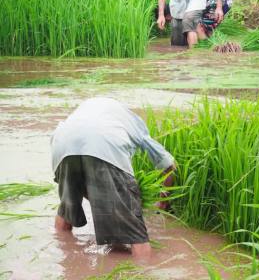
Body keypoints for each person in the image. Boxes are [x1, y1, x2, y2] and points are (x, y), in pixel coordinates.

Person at [51, 97, 176, 259]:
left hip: (62, 145)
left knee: (67, 209)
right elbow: (168, 165)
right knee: (136, 233)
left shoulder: (89, 108)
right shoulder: (133, 121)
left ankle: (65, 261)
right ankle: (143, 270)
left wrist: (99, 197)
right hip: (104, 143)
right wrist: (164, 203)